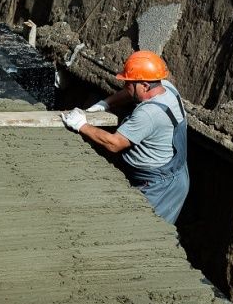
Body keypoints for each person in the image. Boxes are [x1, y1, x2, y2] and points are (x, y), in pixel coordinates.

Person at [61, 50, 189, 224]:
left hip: (160, 185)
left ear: (144, 85)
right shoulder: (167, 88)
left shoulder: (148, 114)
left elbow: (114, 143)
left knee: (146, 230)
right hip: (173, 173)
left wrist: (81, 125)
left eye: (128, 83)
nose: (125, 87)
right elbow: (131, 93)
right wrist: (105, 104)